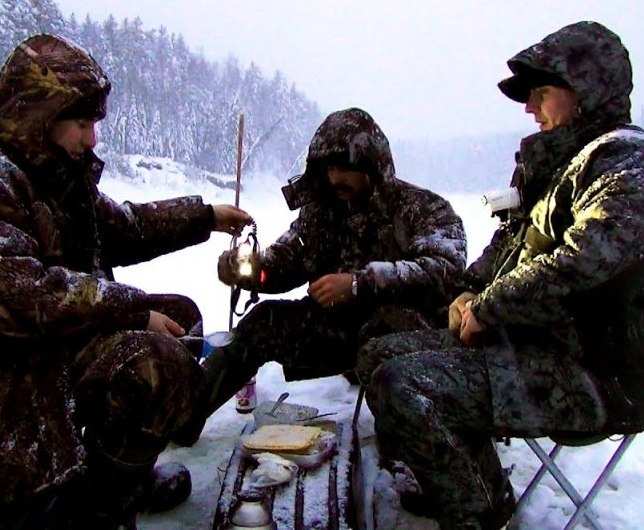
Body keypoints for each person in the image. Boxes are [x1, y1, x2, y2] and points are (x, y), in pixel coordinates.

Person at [0, 33, 251, 530]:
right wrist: (130, 311)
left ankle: (116, 481)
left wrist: (205, 216)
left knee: (178, 318)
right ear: (40, 119)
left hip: (32, 358)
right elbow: (20, 292)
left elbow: (124, 227)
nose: (92, 139)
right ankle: (73, 510)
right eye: (81, 124)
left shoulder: (55, 177)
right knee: (152, 360)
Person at [356, 21, 644, 529]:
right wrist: (469, 288)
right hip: (533, 344)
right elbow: (509, 246)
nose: (530, 108)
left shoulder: (636, 166)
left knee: (407, 385)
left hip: (597, 373)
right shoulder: (553, 168)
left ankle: (481, 516)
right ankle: (469, 484)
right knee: (378, 353)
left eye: (541, 93)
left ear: (587, 91)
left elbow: (581, 262)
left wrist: (489, 308)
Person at [173, 107, 467, 446]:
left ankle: (416, 450)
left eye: (344, 168)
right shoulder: (322, 212)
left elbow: (444, 269)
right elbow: (286, 261)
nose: (334, 177)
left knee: (394, 335)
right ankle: (181, 416)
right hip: (338, 331)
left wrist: (359, 283)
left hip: (401, 339)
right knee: (263, 322)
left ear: (371, 166)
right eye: (329, 168)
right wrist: (251, 271)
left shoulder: (422, 208)